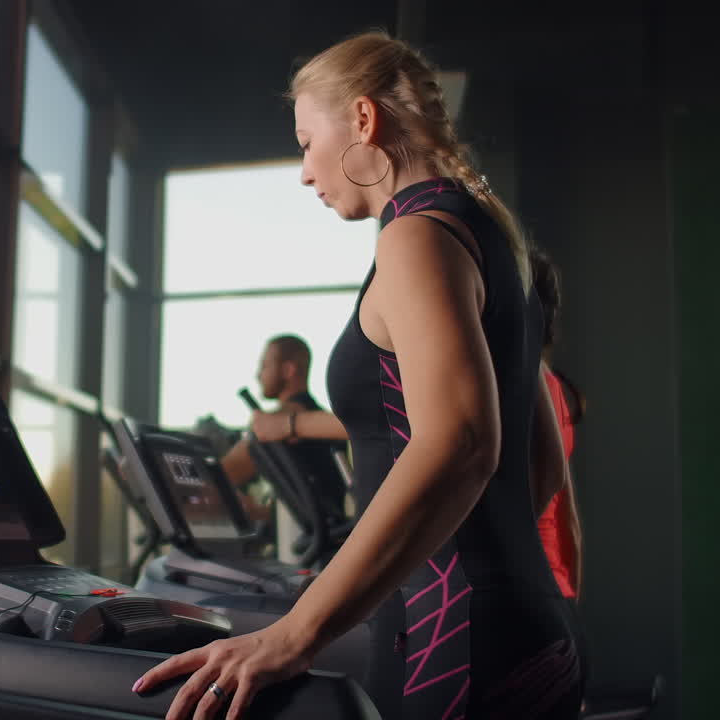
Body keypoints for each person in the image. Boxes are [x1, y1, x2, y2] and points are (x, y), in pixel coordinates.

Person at [133, 30, 580, 720]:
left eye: (307, 141)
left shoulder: (417, 234)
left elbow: (461, 444)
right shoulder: (493, 237)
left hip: (451, 640)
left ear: (364, 120)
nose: (304, 172)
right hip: (524, 630)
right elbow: (538, 466)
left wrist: (295, 632)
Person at [530, 247, 589, 695]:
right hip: (555, 593)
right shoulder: (546, 380)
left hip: (537, 597)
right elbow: (569, 519)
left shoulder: (529, 381)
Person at [219, 335, 350, 533]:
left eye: (265, 366)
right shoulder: (317, 416)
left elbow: (224, 475)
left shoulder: (277, 422)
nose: (258, 375)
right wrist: (259, 512)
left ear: (288, 370)